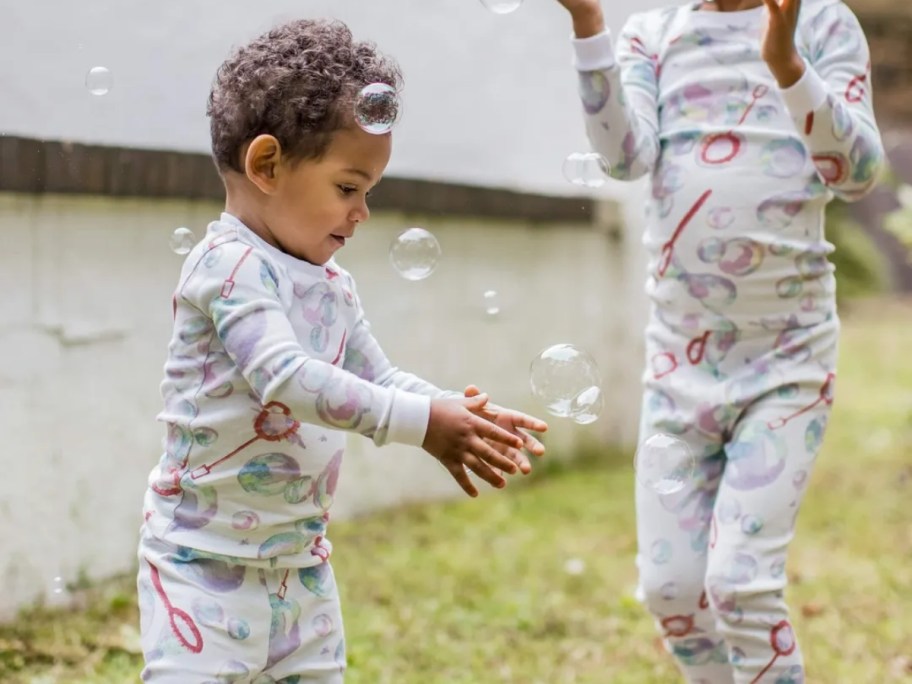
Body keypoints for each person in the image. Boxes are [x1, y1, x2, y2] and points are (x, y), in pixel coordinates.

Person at [136, 18, 548, 682]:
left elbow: (377, 376)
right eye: (347, 188)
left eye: (369, 193)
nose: (362, 212)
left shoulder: (332, 285)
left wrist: (447, 410)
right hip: (201, 566)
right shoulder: (228, 266)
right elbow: (287, 378)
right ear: (267, 165)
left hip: (299, 568)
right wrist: (422, 425)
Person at [553, 0, 883, 681]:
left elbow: (858, 174)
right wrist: (589, 23)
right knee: (669, 591)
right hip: (679, 364)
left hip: (787, 363)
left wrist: (786, 63)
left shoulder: (822, 25)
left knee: (740, 585)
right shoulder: (654, 34)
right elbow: (623, 159)